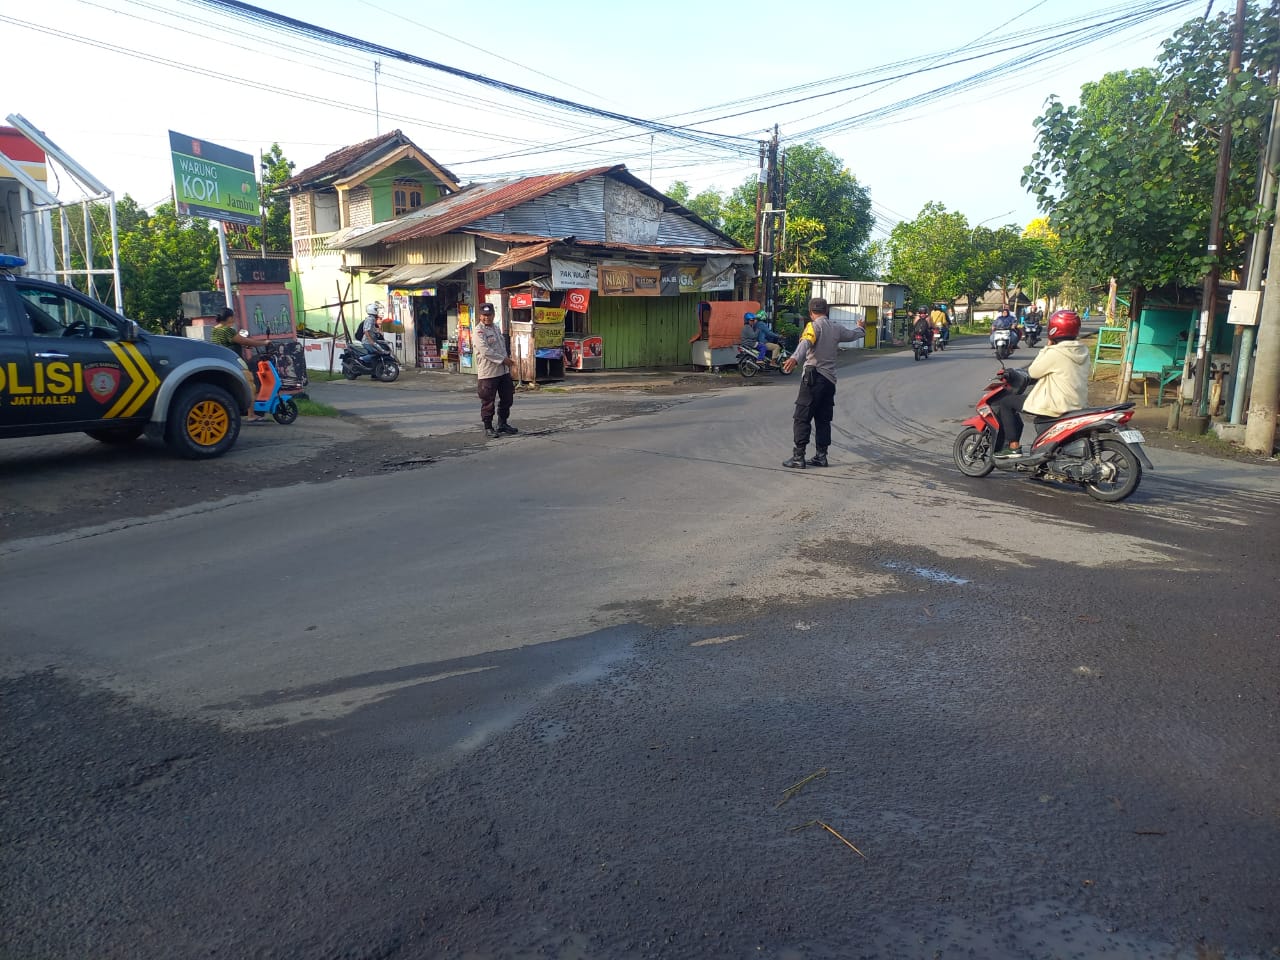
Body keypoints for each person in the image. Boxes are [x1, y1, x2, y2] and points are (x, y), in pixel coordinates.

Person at [991, 309, 1090, 458]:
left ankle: (1013, 447)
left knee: (1005, 402)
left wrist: (1048, 346)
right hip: (1077, 402)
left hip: (1055, 404)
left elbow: (1033, 372)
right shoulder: (1082, 350)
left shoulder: (1055, 352)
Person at [780, 297, 865, 468]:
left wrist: (795, 358)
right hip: (829, 381)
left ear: (811, 313)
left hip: (813, 377)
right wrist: (861, 328)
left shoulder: (813, 326)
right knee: (823, 419)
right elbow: (853, 334)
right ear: (826, 311)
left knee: (802, 417)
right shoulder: (836, 327)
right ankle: (821, 456)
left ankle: (799, 456)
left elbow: (805, 343)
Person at [210, 307, 270, 421]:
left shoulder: (215, 330)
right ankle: (251, 415)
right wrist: (263, 343)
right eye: (233, 316)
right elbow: (244, 340)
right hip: (234, 362)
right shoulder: (227, 330)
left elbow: (230, 343)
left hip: (222, 362)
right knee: (250, 385)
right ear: (230, 318)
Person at [473, 302, 518, 439]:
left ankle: (502, 423)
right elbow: (486, 351)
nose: (487, 318)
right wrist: (504, 360)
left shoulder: (496, 328)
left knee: (507, 398)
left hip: (503, 372)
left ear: (493, 315)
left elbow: (502, 348)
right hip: (488, 372)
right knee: (488, 401)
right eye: (484, 315)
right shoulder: (478, 331)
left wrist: (507, 361)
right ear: (480, 316)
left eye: (489, 315)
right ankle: (488, 427)